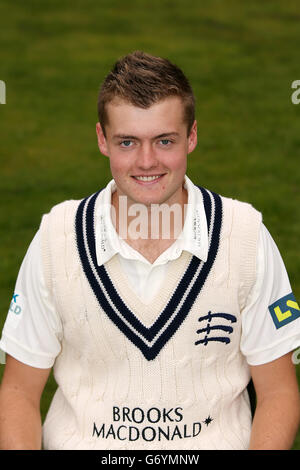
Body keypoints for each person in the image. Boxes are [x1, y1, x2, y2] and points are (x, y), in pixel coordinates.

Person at [0, 51, 300, 451]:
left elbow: (279, 391)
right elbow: (19, 390)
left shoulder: (244, 235)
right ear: (102, 140)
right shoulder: (58, 237)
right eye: (128, 141)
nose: (146, 162)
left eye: (164, 141)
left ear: (191, 136)